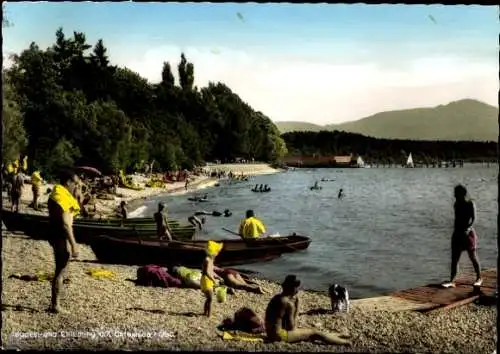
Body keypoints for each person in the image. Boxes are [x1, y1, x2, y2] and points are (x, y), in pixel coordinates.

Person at [265, 275, 350, 345]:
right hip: (280, 336)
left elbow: (278, 320)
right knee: (314, 333)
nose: (298, 290)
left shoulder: (277, 298)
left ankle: (335, 335)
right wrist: (297, 307)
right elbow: (292, 327)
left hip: (270, 333)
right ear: (293, 288)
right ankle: (346, 343)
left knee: (310, 331)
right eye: (297, 287)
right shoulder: (288, 303)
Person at [47, 169, 81, 314]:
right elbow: (66, 223)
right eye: (75, 183)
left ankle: (55, 304)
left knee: (59, 269)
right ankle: (56, 305)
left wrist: (78, 194)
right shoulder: (64, 198)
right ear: (68, 182)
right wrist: (74, 245)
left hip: (54, 235)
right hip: (60, 236)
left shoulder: (57, 194)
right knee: (60, 270)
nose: (76, 186)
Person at [442, 185, 482, 288]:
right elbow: (457, 219)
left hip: (468, 233)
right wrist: (456, 232)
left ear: (462, 193)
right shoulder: (456, 204)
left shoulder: (470, 203)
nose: (454, 195)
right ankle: (452, 280)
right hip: (457, 233)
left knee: (472, 256)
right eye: (454, 193)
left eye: (456, 193)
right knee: (454, 258)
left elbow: (473, 219)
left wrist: (468, 229)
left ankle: (479, 278)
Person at [201, 241, 223, 317]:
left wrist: (217, 277)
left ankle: (205, 312)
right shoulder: (207, 260)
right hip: (206, 280)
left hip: (209, 280)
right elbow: (207, 272)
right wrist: (213, 280)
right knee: (210, 298)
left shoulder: (211, 260)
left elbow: (211, 271)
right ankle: (209, 315)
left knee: (208, 298)